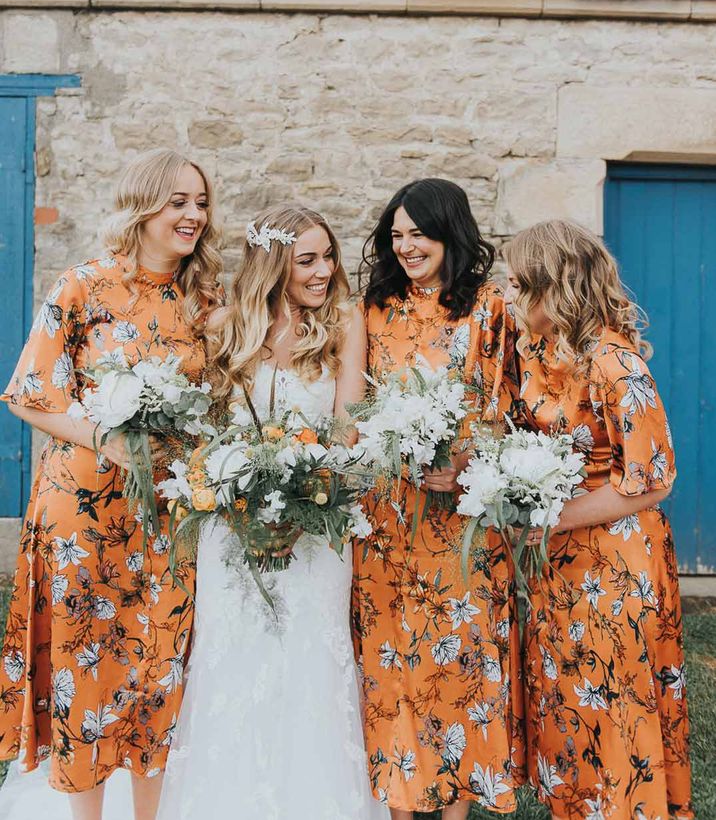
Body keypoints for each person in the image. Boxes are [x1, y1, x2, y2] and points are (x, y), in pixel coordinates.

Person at [0, 148, 222, 820]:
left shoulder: (207, 300)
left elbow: (225, 401)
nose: (193, 216)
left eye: (202, 204)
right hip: (82, 508)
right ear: (142, 205)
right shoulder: (82, 287)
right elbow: (27, 394)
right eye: (178, 201)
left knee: (161, 666)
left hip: (169, 511)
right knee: (86, 667)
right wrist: (109, 440)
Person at [157, 205, 387, 820]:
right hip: (230, 524)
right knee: (234, 660)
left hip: (316, 526)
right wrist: (235, 491)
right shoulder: (227, 326)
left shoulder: (342, 321)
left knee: (312, 658)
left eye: (327, 256)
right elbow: (204, 431)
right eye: (305, 259)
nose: (323, 271)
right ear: (272, 263)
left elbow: (347, 426)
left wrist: (311, 487)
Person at [504, 219, 693, 820]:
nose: (508, 297)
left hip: (614, 562)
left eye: (517, 285)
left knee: (614, 703)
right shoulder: (538, 351)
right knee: (570, 705)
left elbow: (653, 479)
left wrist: (549, 520)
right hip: (558, 565)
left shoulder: (616, 365)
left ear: (550, 287)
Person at [352, 178, 523, 819]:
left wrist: (468, 465)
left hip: (459, 523)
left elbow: (511, 410)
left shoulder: (491, 309)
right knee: (391, 670)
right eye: (395, 237)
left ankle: (456, 810)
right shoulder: (376, 309)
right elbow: (356, 406)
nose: (405, 248)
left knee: (459, 667)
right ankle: (400, 808)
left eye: (417, 234)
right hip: (386, 519)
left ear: (450, 231)